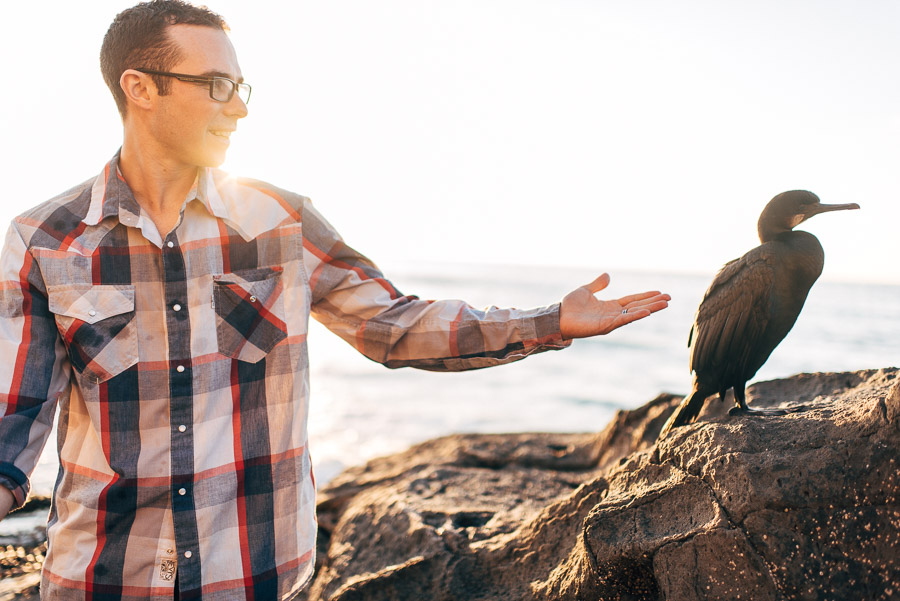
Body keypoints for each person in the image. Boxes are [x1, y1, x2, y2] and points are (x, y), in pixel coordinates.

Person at [0, 1, 670, 599]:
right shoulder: (45, 241)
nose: (239, 107)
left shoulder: (282, 222)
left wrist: (550, 320)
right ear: (141, 88)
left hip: (256, 578)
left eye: (240, 87)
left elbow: (392, 324)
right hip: (99, 579)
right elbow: (13, 419)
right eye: (217, 85)